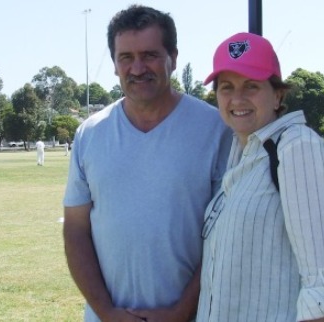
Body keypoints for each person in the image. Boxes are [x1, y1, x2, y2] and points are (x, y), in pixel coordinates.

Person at [63, 5, 231, 322]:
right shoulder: (90, 134)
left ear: (173, 57)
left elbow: (226, 237)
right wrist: (107, 312)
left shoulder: (215, 129)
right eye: (126, 57)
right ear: (114, 64)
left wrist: (181, 312)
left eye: (150, 55)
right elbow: (75, 231)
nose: (137, 68)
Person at [197, 32, 324, 321]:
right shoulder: (241, 152)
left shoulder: (297, 148)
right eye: (226, 87)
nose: (237, 98)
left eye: (251, 86)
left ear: (277, 94)